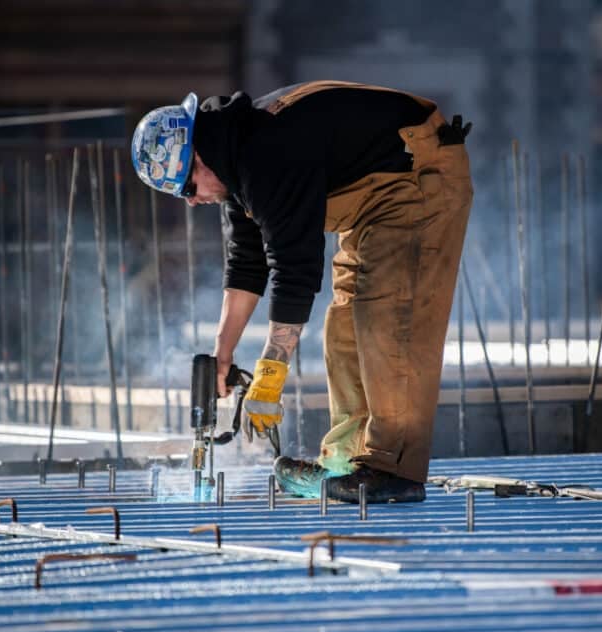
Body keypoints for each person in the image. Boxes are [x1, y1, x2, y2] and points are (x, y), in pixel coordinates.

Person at [131, 81, 473, 504]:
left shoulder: (265, 154)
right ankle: (348, 464)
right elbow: (247, 262)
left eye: (186, 187)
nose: (190, 202)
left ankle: (392, 470)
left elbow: (295, 269)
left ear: (198, 158)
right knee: (343, 330)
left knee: (387, 320)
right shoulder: (235, 160)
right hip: (375, 202)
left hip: (417, 179)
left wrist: (271, 374)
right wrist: (224, 353)